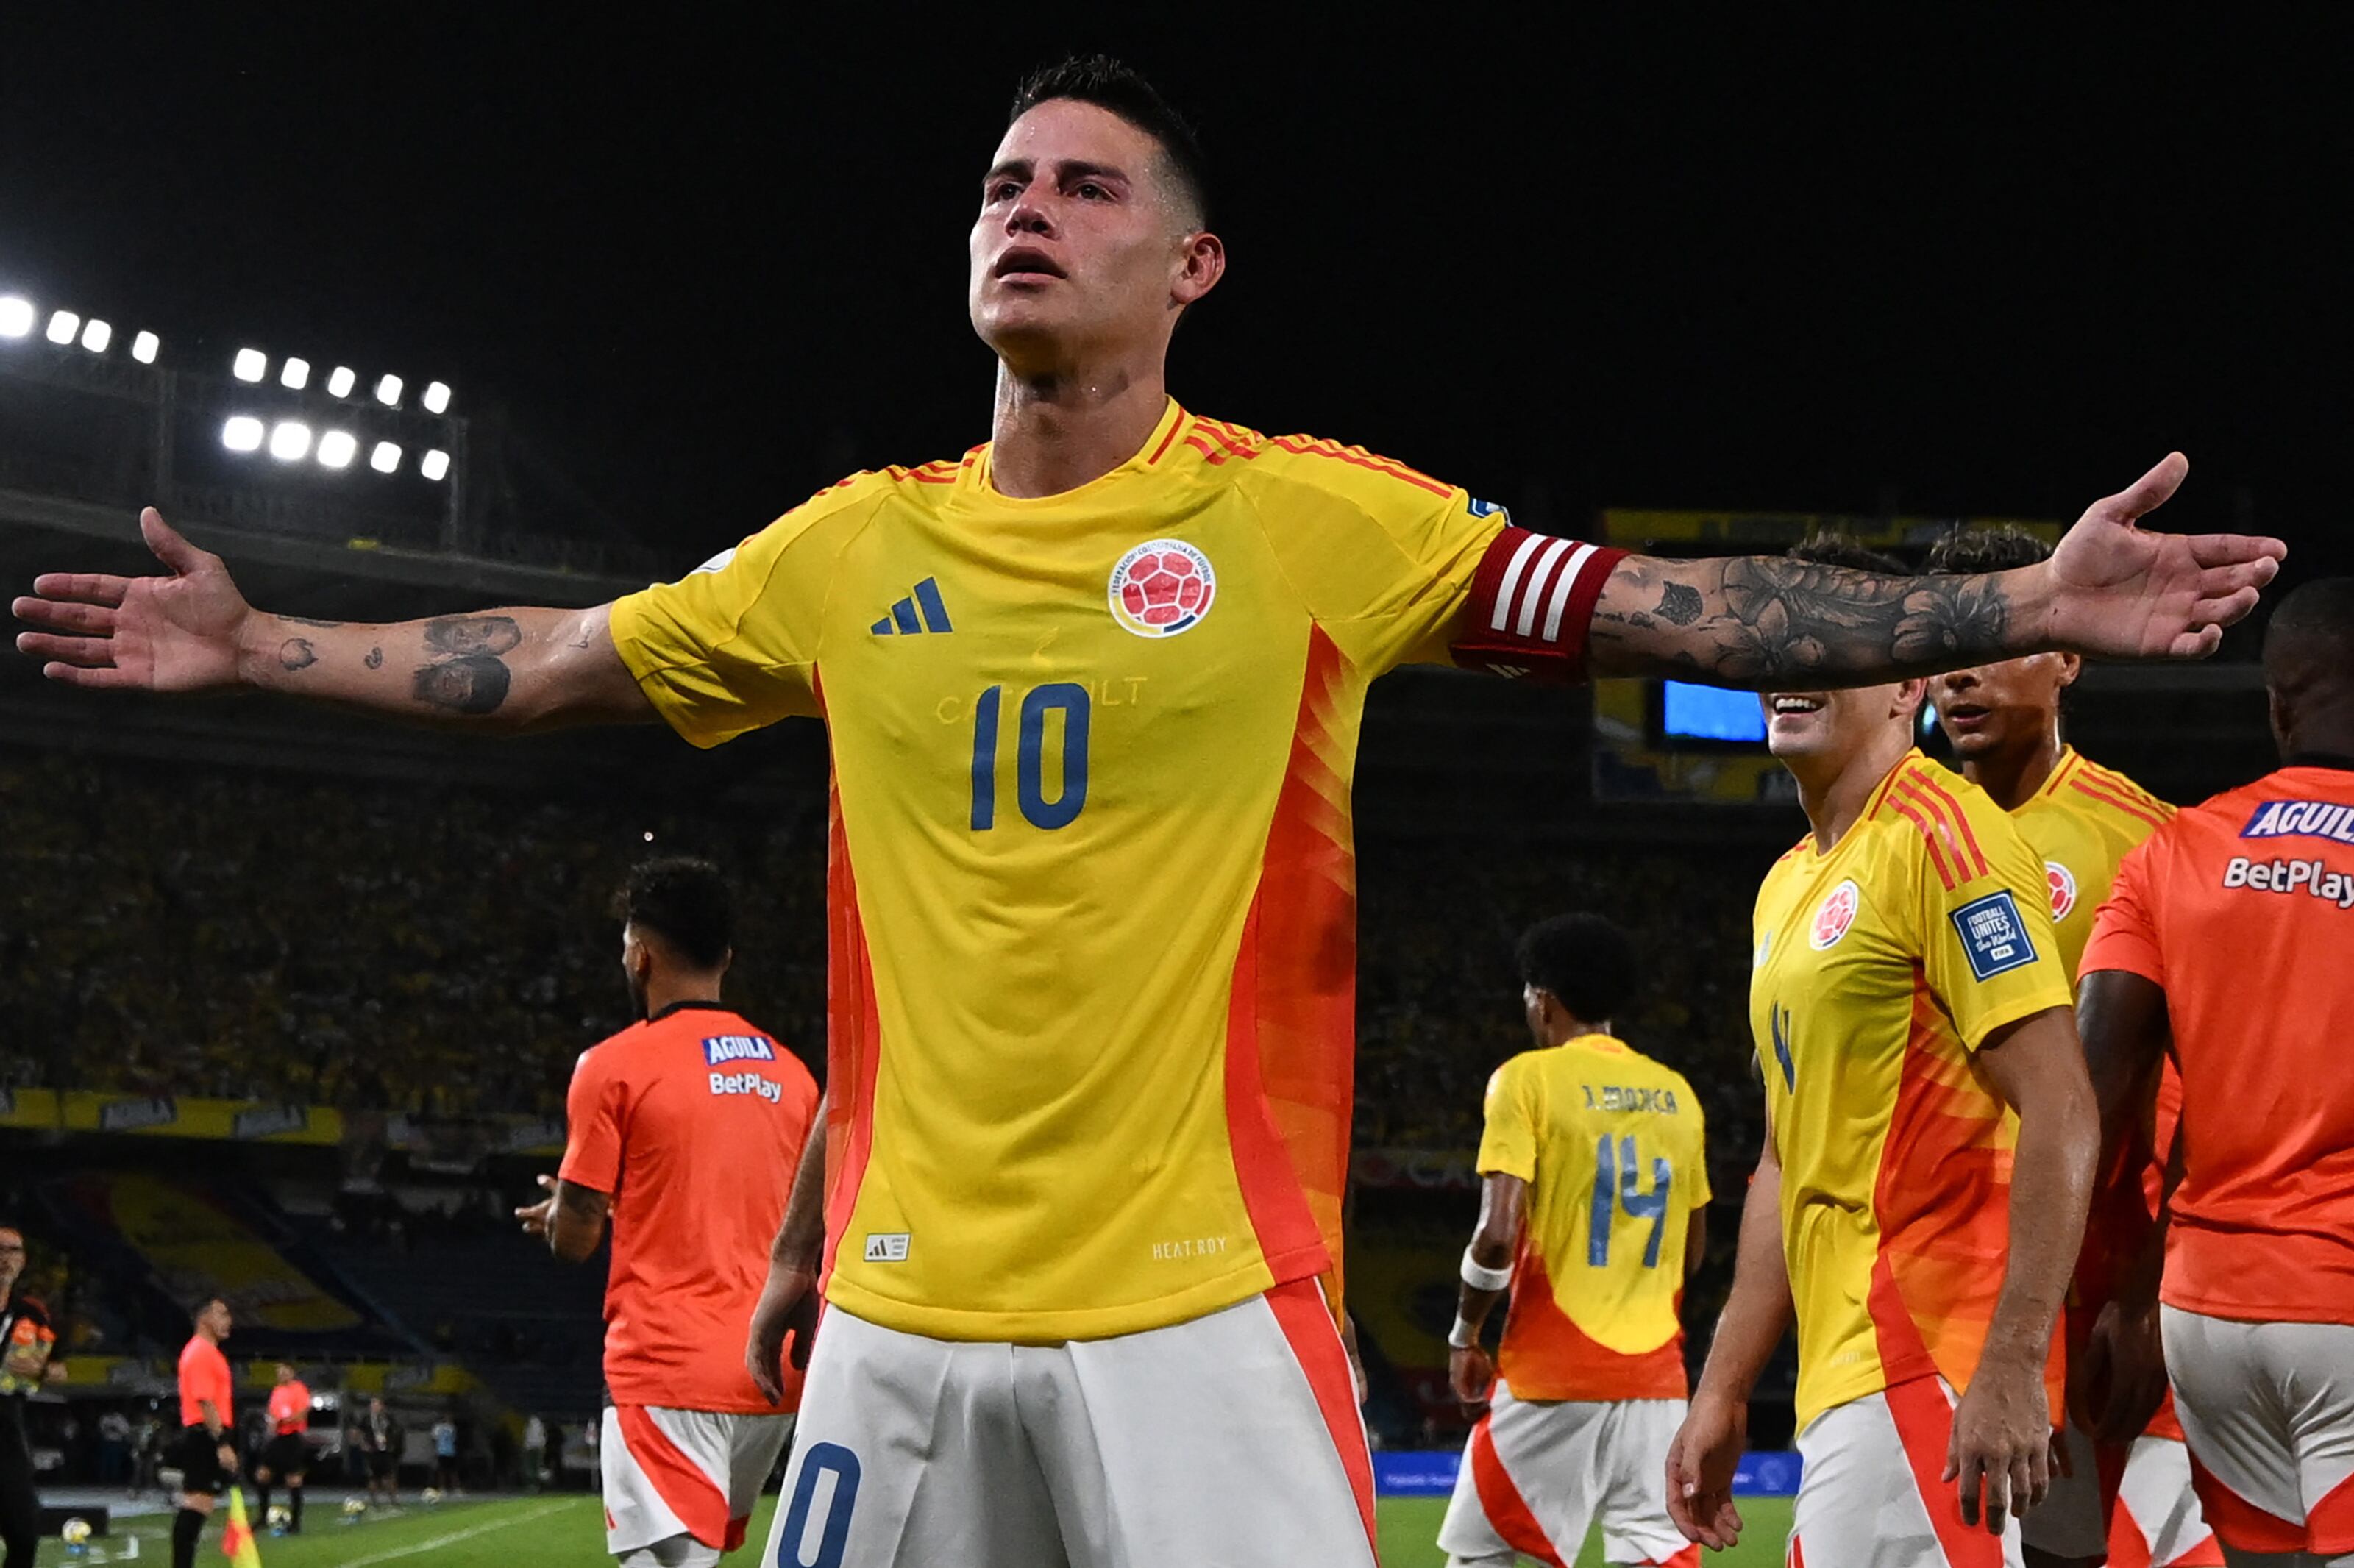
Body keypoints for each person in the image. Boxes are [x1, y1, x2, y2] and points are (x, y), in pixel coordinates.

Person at [12, 56, 2283, 1568]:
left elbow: (1666, 596)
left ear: (1188, 267)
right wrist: (269, 642)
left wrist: (2012, 588)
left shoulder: (1311, 521)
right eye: (1001, 181)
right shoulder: (848, 543)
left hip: (1196, 1316)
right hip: (894, 1323)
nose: (1027, 207)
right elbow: (570, 650)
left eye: (1087, 183)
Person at [1666, 538, 2099, 1567]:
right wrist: (1724, 1390)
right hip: (1846, 1368)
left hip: (1929, 1352)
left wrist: (2009, 1360)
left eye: (1831, 644)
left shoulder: (1946, 836)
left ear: (1910, 680)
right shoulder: (1786, 884)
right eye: (1782, 640)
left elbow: (2062, 1103)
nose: (1794, 667)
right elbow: (1786, 1159)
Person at [1926, 525, 2217, 1568]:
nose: (1957, 670)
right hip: (1949, 1295)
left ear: (2068, 655)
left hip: (2106, 1290)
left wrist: (2143, 1289)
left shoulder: (2148, 841)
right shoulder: (1899, 839)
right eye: (1946, 640)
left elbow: (2209, 1091)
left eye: (1997, 637)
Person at [2076, 577, 2354, 1567]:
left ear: (2278, 699)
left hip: (2209, 1315)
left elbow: (2094, 1106)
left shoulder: (2171, 851)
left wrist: (2111, 1298)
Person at [517, 857, 818, 1567]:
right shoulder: (793, 1073)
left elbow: (576, 1242)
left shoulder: (613, 1065)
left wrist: (564, 1212)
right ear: (728, 957)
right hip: (770, 1377)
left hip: (668, 1368)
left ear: (641, 954)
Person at [1434, 915, 1708, 1568]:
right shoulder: (1679, 1096)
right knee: (1653, 1556)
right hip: (1657, 1383)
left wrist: (1465, 1336)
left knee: (1482, 1557)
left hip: (1551, 1372)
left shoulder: (1526, 1080)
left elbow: (1497, 1236)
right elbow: (1691, 1255)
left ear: (1543, 998)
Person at [0, 1225, 58, 1568]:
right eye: (0, 1249)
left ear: (23, 1260)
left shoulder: (32, 1313)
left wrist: (37, 1368)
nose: (5, 1258)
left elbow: (52, 1367)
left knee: (24, 1534)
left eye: (13, 1250)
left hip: (7, 1424)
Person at [167, 1297, 237, 1568]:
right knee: (197, 1503)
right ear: (204, 1318)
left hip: (208, 1432)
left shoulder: (210, 1352)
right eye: (222, 1313)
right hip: (204, 1434)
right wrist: (221, 1443)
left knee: (201, 1504)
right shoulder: (200, 1352)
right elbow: (204, 1400)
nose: (228, 1320)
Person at [252, 1363, 310, 1533]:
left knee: (293, 1479)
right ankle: (263, 1516)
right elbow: (271, 1413)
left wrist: (283, 1421)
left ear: (292, 1372)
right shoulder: (277, 1391)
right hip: (277, 1437)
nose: (282, 1374)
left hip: (292, 1437)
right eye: (279, 1372)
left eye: (285, 1371)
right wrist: (271, 1422)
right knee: (262, 1475)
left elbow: (302, 1413)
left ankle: (296, 1523)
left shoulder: (299, 1389)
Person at [358, 1397, 400, 1508]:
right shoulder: (367, 1419)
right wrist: (363, 1445)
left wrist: (392, 1443)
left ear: (382, 1406)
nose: (375, 1407)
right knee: (373, 1478)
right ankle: (374, 1502)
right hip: (372, 1452)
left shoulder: (388, 1419)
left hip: (385, 1451)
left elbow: (395, 1431)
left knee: (389, 1476)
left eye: (377, 1405)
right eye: (373, 1405)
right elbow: (359, 1432)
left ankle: (394, 1501)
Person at [430, 1415, 457, 1494]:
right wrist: (436, 1449)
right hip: (441, 1451)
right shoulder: (438, 1427)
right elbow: (434, 1439)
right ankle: (442, 1488)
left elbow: (454, 1439)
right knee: (442, 1470)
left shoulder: (452, 1427)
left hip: (451, 1451)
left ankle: (454, 1488)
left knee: (453, 1470)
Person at [523, 1413, 548, 1494]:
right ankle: (537, 1486)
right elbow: (543, 1436)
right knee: (536, 1468)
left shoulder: (534, 1424)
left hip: (533, 1448)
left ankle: (536, 1486)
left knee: (533, 1468)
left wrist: (527, 1446)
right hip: (536, 1447)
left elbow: (529, 1437)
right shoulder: (538, 1425)